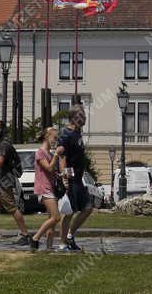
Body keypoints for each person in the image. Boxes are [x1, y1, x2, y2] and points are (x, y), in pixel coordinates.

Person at [56, 105, 93, 251]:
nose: (84, 117)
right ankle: (62, 243)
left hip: (78, 178)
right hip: (71, 179)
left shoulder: (77, 133)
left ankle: (70, 236)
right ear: (73, 117)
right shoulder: (65, 133)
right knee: (68, 211)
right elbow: (62, 156)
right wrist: (65, 177)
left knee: (88, 208)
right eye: (81, 115)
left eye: (84, 114)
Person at [30, 127, 61, 251]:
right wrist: (57, 155)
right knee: (56, 217)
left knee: (51, 220)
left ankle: (49, 246)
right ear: (47, 137)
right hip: (44, 188)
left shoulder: (50, 153)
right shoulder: (40, 152)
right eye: (54, 138)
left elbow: (51, 171)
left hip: (51, 187)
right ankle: (35, 238)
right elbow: (48, 168)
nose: (55, 141)